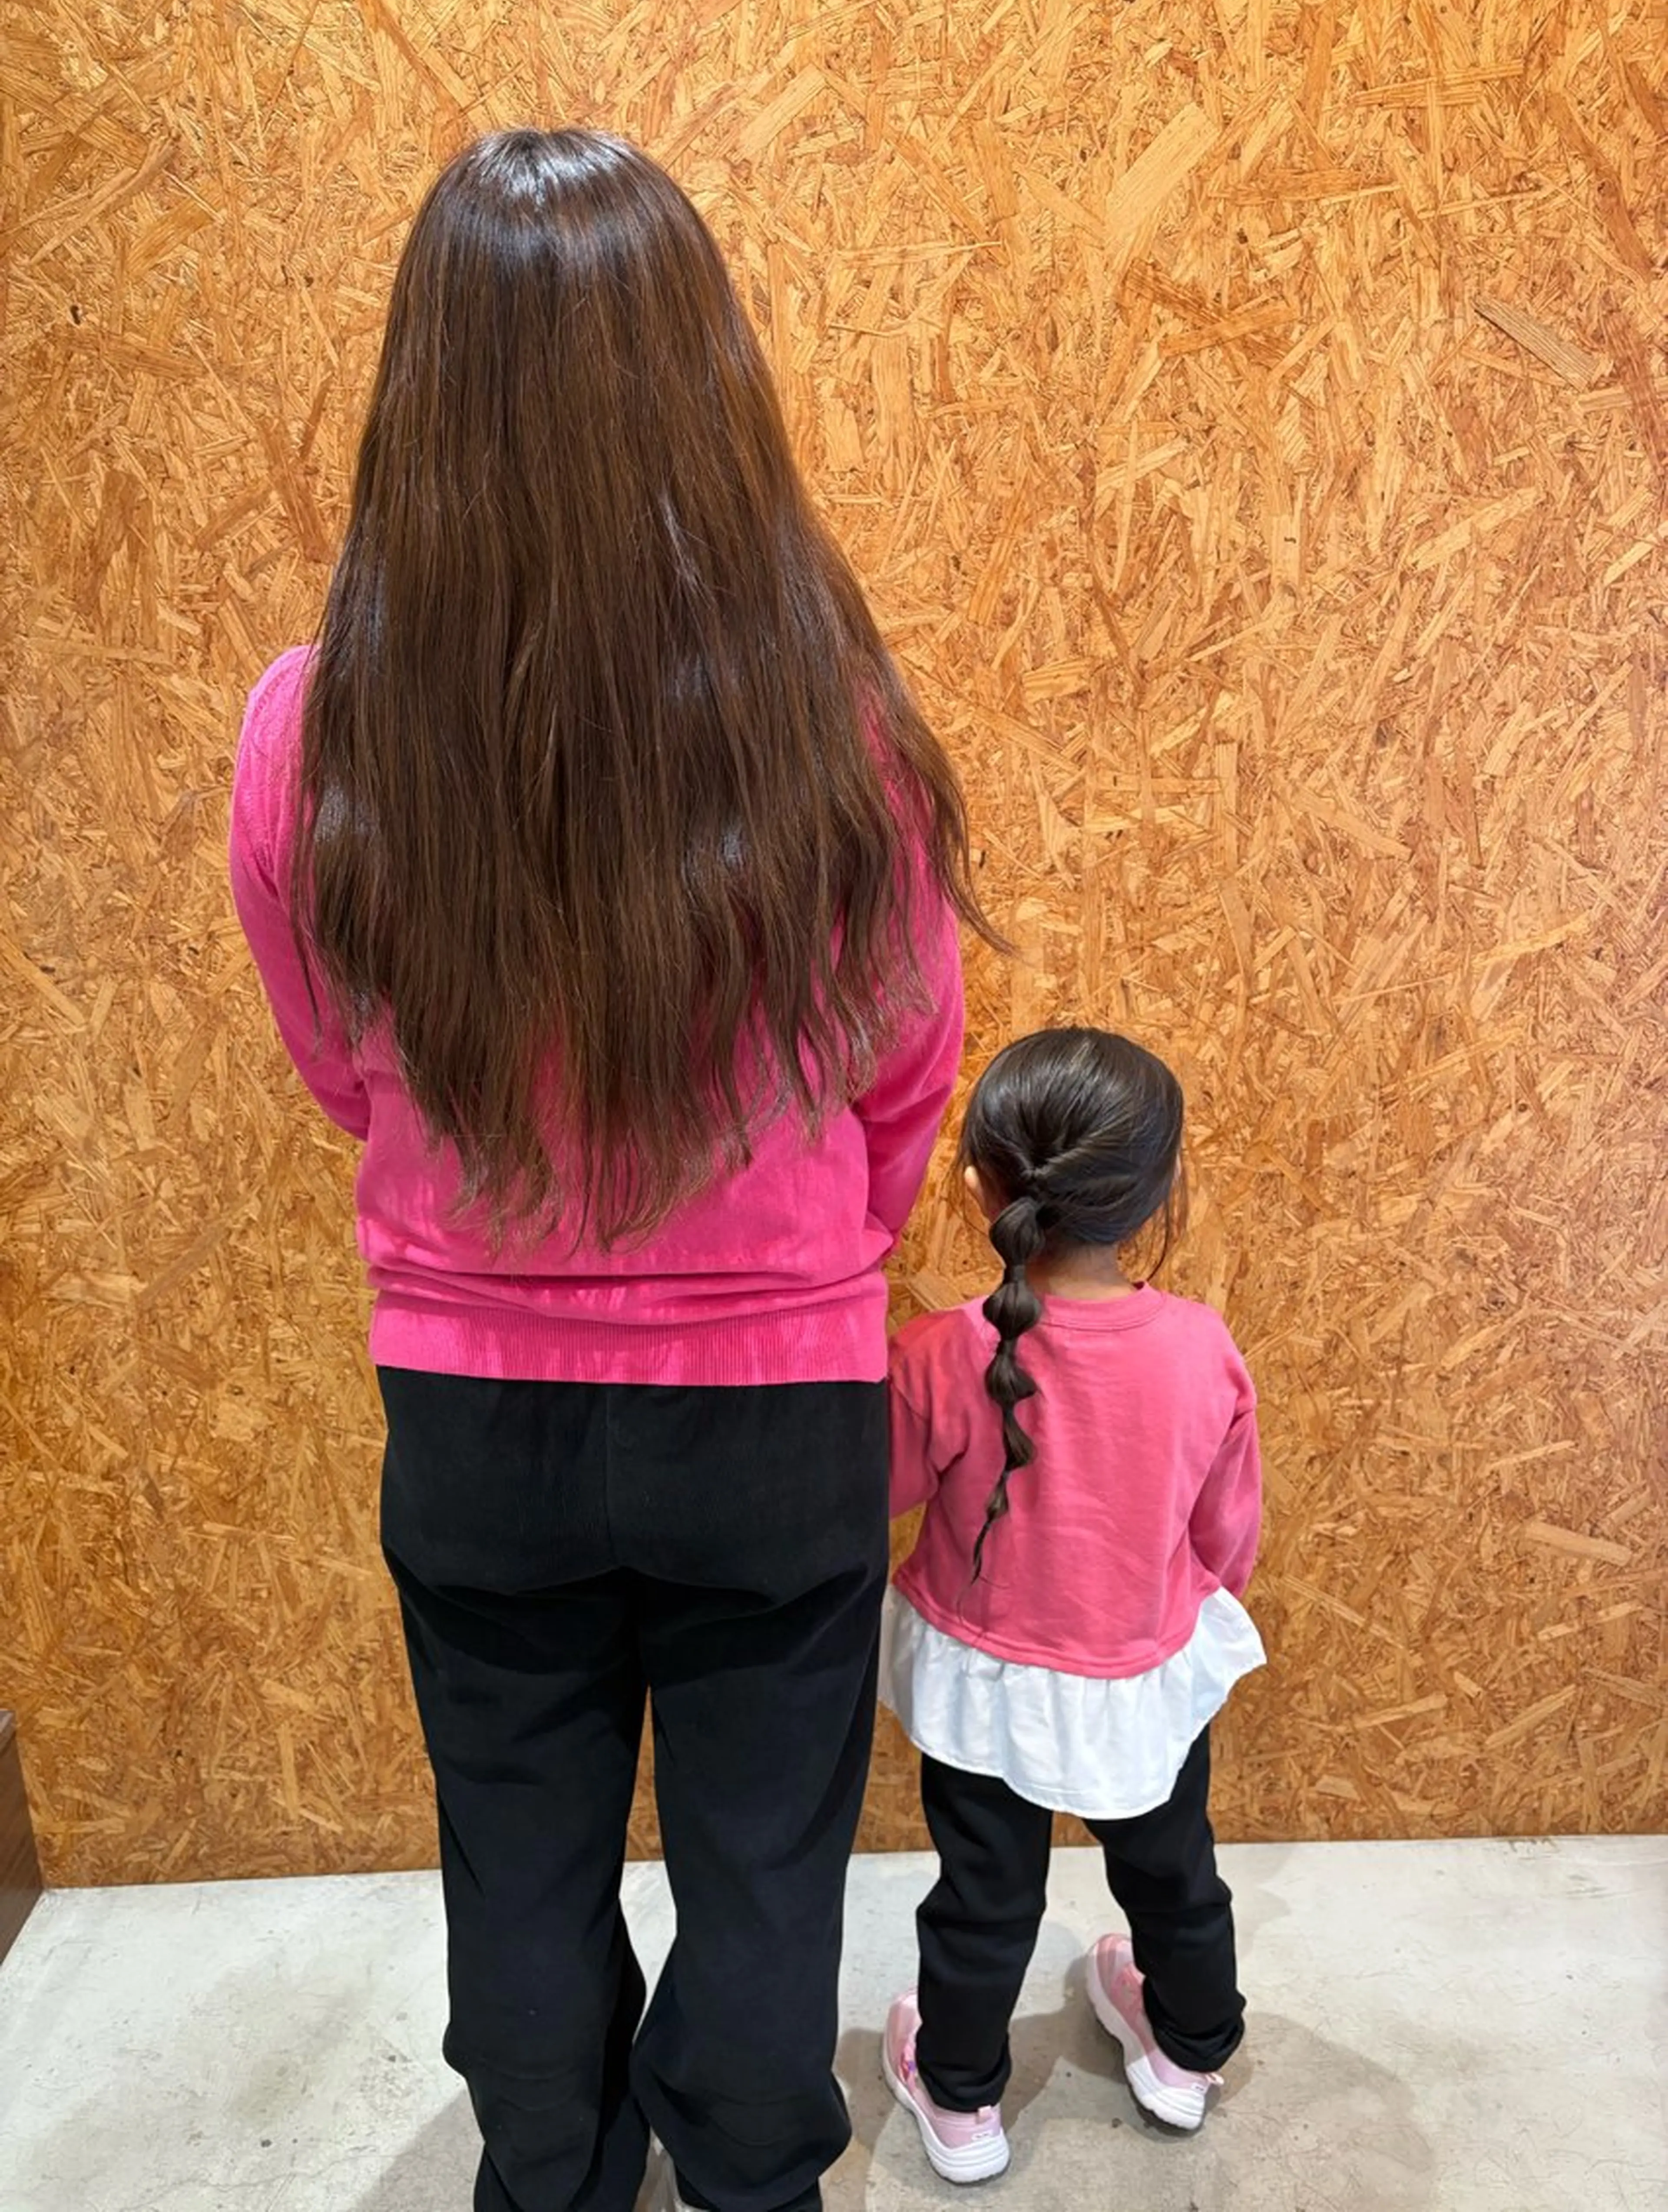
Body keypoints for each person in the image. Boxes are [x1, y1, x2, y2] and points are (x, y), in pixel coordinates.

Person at [229, 127, 983, 2212]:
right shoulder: (840, 737)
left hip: (474, 1412)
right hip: (775, 1410)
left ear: (423, 397)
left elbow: (338, 1066)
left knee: (516, 1840)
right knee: (766, 1863)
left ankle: (547, 2171)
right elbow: (903, 1083)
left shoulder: (316, 735)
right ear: (710, 393)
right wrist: (803, 1263)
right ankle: (753, 2178)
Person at [876, 1027, 1264, 2183]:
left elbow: (875, 1497)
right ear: (1159, 1193)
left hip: (986, 1689)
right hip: (1144, 1676)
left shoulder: (942, 1354)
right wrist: (1176, 1618)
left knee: (985, 1899)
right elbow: (1226, 1535)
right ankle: (1187, 2060)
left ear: (981, 1185)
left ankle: (960, 2104)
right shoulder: (1203, 1348)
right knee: (1175, 1876)